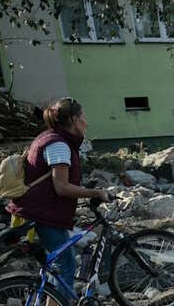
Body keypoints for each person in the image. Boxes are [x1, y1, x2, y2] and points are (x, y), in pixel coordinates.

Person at [7, 97, 110, 295]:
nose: (86, 122)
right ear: (74, 120)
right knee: (66, 264)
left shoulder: (51, 137)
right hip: (42, 212)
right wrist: (95, 193)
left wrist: (84, 189)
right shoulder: (59, 145)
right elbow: (61, 187)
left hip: (38, 209)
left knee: (58, 262)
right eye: (83, 117)